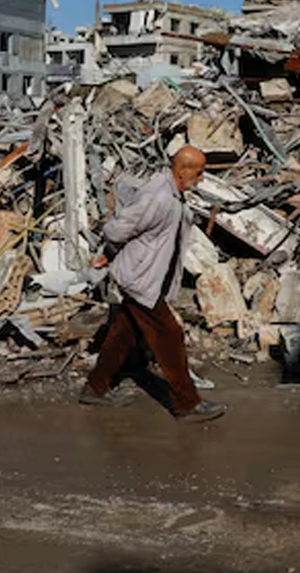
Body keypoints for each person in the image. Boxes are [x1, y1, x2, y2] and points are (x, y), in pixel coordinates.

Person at [79, 145, 227, 423]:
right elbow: (116, 229)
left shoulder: (173, 193)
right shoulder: (158, 198)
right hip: (139, 279)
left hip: (147, 277)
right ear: (181, 170)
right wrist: (109, 253)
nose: (202, 178)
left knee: (124, 333)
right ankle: (187, 403)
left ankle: (95, 388)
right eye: (198, 172)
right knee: (169, 335)